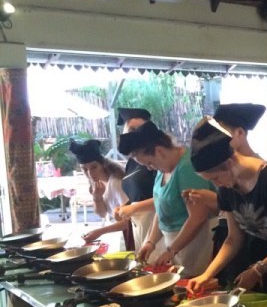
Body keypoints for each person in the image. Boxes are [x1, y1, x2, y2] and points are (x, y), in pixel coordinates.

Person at [185, 118, 267, 298]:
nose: (217, 185)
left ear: (230, 163)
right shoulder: (227, 188)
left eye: (215, 178)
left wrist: (259, 269)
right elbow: (234, 238)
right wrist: (206, 274)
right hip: (253, 267)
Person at [118, 121, 217, 277]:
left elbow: (198, 217)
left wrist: (171, 250)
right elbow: (161, 209)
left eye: (149, 163)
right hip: (175, 243)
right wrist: (150, 243)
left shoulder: (186, 168)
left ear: (159, 151)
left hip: (196, 243)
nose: (150, 168)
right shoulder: (163, 168)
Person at [113, 108, 158, 255]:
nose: (135, 134)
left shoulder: (157, 163)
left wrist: (135, 207)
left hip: (157, 225)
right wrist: (124, 206)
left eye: (139, 129)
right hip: (139, 226)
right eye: (131, 129)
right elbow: (136, 195)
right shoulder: (131, 163)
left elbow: (166, 197)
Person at [69, 139, 130, 244]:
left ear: (103, 164)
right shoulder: (97, 184)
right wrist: (97, 197)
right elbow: (102, 213)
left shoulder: (116, 183)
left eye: (94, 167)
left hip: (132, 232)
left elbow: (129, 220)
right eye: (84, 169)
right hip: (122, 232)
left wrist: (100, 231)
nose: (90, 173)